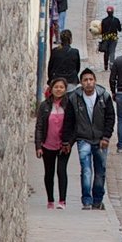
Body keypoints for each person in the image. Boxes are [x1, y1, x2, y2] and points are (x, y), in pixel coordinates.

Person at [66, 69, 116, 209]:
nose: (88, 83)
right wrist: (68, 141)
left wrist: (106, 137)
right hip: (84, 139)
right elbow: (69, 121)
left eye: (91, 79)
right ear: (81, 83)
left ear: (95, 81)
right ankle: (87, 200)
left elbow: (110, 118)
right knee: (86, 170)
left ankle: (97, 200)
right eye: (85, 80)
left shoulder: (104, 97)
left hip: (100, 140)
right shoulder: (74, 98)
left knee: (100, 171)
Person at [33, 76, 77, 209]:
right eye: (56, 87)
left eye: (61, 87)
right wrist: (38, 145)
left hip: (63, 145)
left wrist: (69, 142)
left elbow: (74, 126)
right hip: (48, 144)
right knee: (49, 172)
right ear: (51, 89)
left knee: (61, 170)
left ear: (65, 89)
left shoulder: (69, 105)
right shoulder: (44, 106)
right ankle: (50, 200)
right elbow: (39, 126)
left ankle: (62, 201)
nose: (59, 90)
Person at [45, 29, 82, 95]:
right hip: (71, 81)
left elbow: (50, 67)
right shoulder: (75, 52)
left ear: (61, 39)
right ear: (70, 39)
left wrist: (51, 80)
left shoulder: (55, 51)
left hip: (57, 80)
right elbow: (77, 68)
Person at [96, 6, 122, 70]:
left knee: (106, 52)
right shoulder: (116, 20)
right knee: (112, 51)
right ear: (113, 12)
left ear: (107, 12)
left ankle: (105, 65)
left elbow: (102, 31)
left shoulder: (104, 20)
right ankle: (111, 64)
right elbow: (119, 29)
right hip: (113, 38)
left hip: (105, 38)